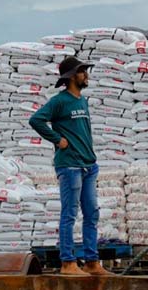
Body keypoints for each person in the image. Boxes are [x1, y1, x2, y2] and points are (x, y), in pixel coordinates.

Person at [29, 56, 110, 276]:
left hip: (89, 166)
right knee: (70, 214)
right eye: (83, 71)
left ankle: (92, 262)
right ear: (73, 76)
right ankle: (67, 262)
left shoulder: (82, 101)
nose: (87, 75)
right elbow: (36, 120)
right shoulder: (60, 101)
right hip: (70, 166)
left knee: (92, 213)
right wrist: (57, 139)